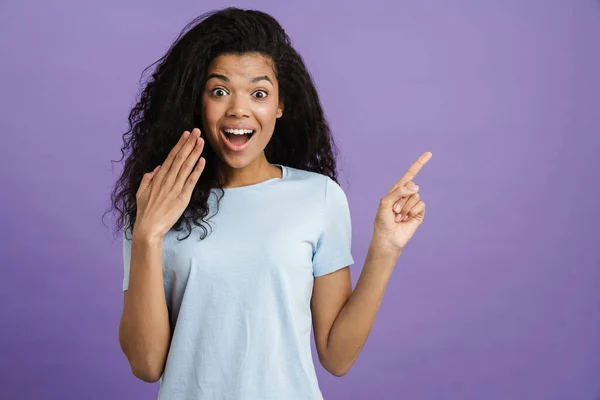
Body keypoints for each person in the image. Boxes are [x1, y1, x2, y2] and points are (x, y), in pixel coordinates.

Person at [110, 7, 432, 399]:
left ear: (281, 105)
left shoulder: (319, 197)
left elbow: (337, 356)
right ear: (198, 102)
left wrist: (384, 249)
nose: (238, 110)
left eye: (259, 93)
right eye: (220, 91)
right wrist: (147, 234)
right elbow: (145, 365)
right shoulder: (156, 203)